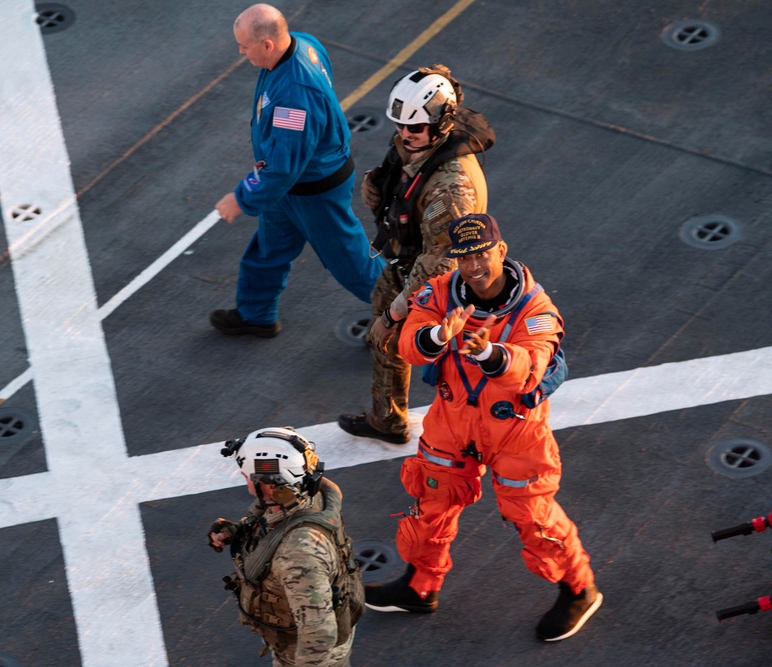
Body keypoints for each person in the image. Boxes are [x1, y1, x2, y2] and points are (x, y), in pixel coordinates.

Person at [364, 214, 603, 642]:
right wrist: (438, 336)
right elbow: (409, 344)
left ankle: (579, 590)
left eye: (481, 254)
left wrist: (490, 354)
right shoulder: (439, 293)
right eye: (464, 258)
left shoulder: (537, 310)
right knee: (431, 504)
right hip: (452, 422)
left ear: (501, 250)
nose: (473, 266)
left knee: (533, 517)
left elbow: (532, 366)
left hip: (516, 431)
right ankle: (420, 587)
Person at [338, 64, 495, 444]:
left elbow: (440, 261)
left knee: (451, 358)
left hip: (436, 278)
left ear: (441, 124)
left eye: (416, 127)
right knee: (384, 327)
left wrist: (394, 315)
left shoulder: (449, 189)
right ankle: (387, 417)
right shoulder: (424, 142)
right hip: (406, 262)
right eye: (401, 125)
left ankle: (471, 430)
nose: (405, 133)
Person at [211, 4, 384, 338]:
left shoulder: (295, 97)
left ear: (267, 45)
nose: (241, 52)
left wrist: (241, 198)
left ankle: (413, 316)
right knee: (269, 249)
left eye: (244, 46)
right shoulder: (303, 43)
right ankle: (256, 314)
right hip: (292, 188)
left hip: (314, 192)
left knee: (353, 265)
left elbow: (282, 167)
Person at [209, 426, 364, 665]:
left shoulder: (298, 555)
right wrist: (236, 531)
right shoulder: (302, 493)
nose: (244, 479)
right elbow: (270, 524)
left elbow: (319, 637)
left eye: (247, 476)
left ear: (270, 486)